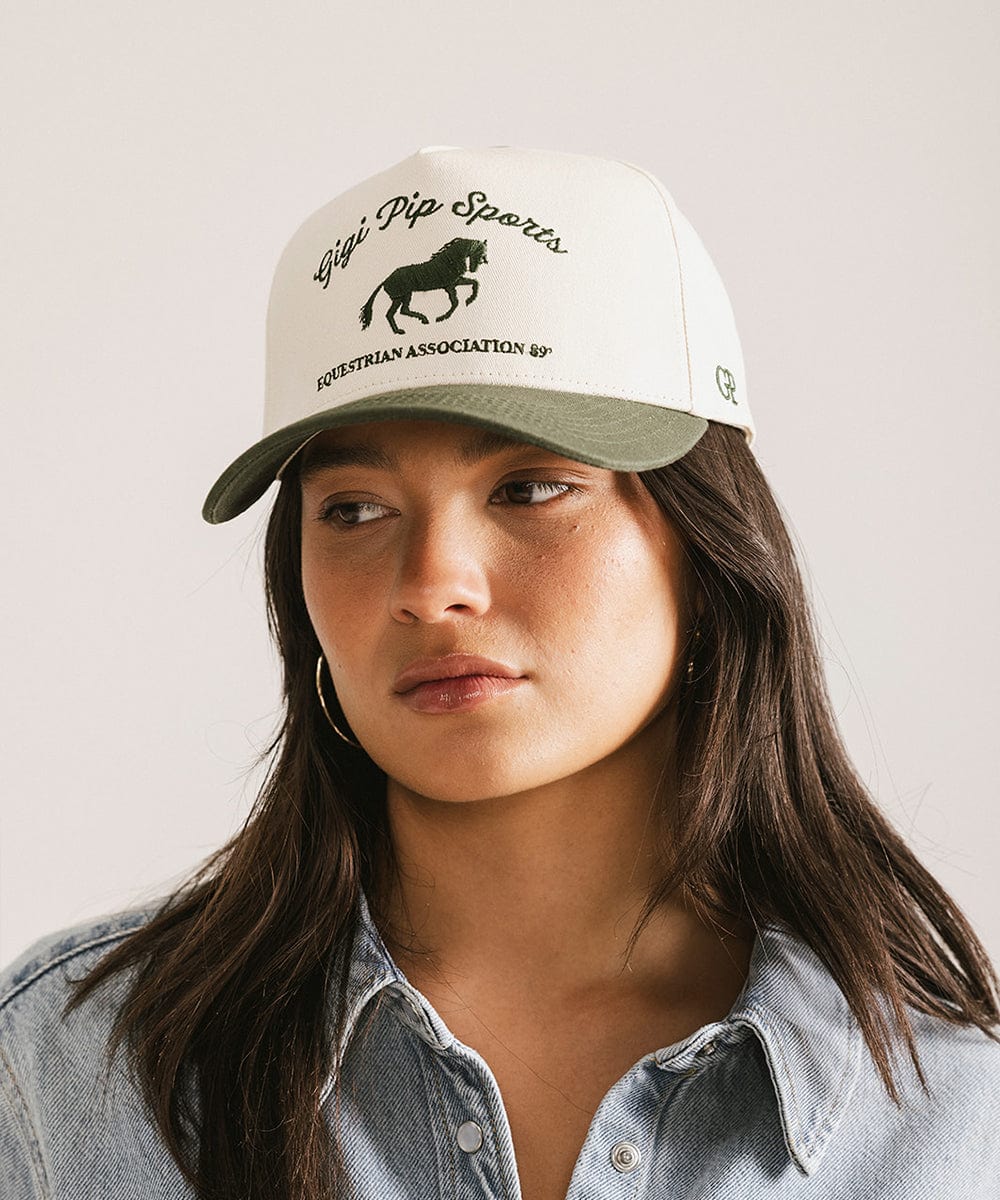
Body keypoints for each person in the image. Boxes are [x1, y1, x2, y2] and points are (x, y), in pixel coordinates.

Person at [1, 145, 998, 1200]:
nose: (432, 585)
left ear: (707, 550)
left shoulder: (958, 1116)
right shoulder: (66, 1075)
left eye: (529, 488)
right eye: (354, 509)